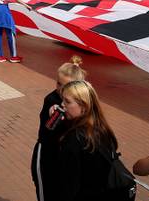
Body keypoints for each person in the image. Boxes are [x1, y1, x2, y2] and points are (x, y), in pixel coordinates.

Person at [31, 56, 87, 201]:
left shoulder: (78, 103)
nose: (60, 89)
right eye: (58, 83)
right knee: (47, 193)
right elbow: (49, 127)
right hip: (47, 154)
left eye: (66, 86)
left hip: (64, 156)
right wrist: (54, 114)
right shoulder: (52, 99)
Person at [57, 80, 123, 201]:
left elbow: (69, 184)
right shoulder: (102, 129)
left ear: (83, 106)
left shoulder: (74, 139)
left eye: (67, 101)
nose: (62, 105)